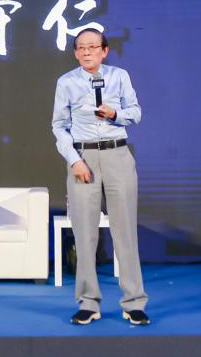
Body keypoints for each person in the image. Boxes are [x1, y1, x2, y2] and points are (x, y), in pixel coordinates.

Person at [51, 28, 149, 325]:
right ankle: (88, 302)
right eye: (81, 47)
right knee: (84, 233)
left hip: (117, 154)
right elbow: (59, 126)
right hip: (83, 159)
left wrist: (114, 114)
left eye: (93, 47)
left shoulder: (119, 76)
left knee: (125, 232)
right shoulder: (66, 82)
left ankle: (134, 302)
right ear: (75, 53)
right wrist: (74, 160)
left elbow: (136, 113)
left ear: (104, 51)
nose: (86, 52)